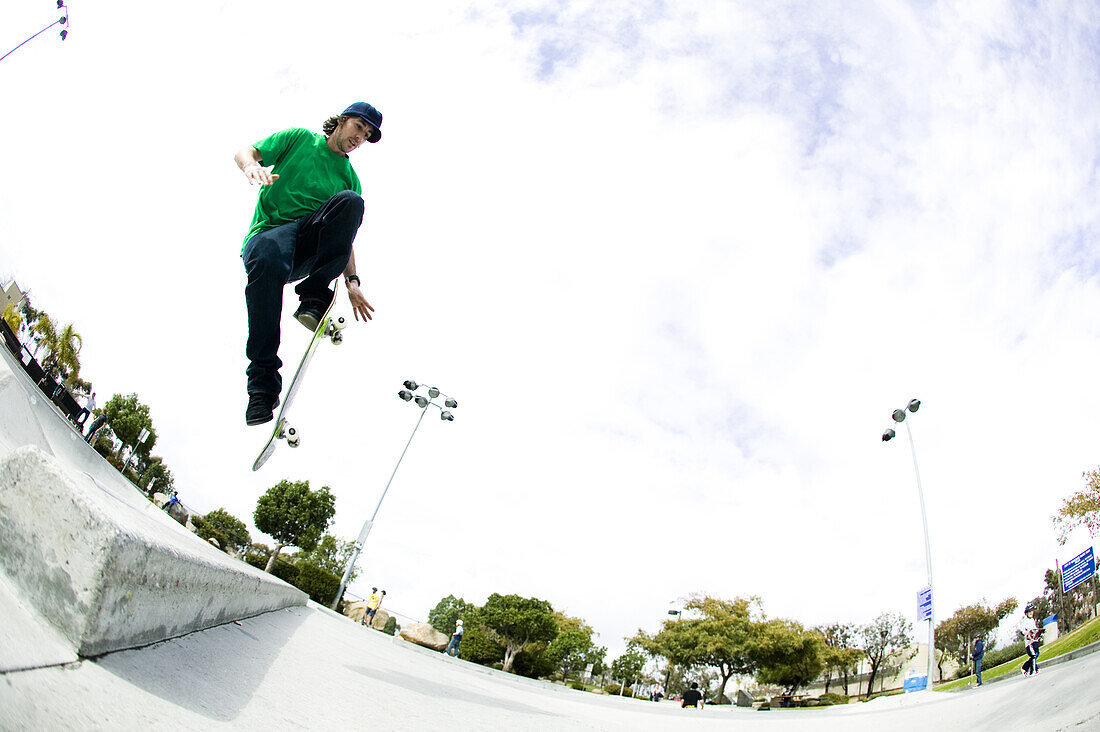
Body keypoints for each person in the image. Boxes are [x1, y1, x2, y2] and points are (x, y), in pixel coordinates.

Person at [235, 102, 381, 426]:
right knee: (267, 261)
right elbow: (247, 151)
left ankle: (315, 296)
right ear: (342, 121)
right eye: (359, 127)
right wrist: (250, 167)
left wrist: (352, 282)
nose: (361, 137)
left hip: (307, 248)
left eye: (367, 135)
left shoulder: (349, 179)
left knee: (351, 203)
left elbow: (345, 240)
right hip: (270, 235)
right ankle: (261, 387)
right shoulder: (300, 139)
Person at [1020, 602, 1044, 677]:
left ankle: (1025, 668)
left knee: (1036, 654)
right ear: (1026, 613)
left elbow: (1035, 630)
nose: (1031, 613)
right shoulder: (1025, 621)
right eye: (1029, 612)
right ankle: (1033, 671)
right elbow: (1022, 630)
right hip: (1029, 642)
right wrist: (1026, 633)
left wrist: (1040, 633)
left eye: (1031, 611)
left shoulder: (1032, 620)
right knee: (1033, 655)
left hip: (1034, 640)